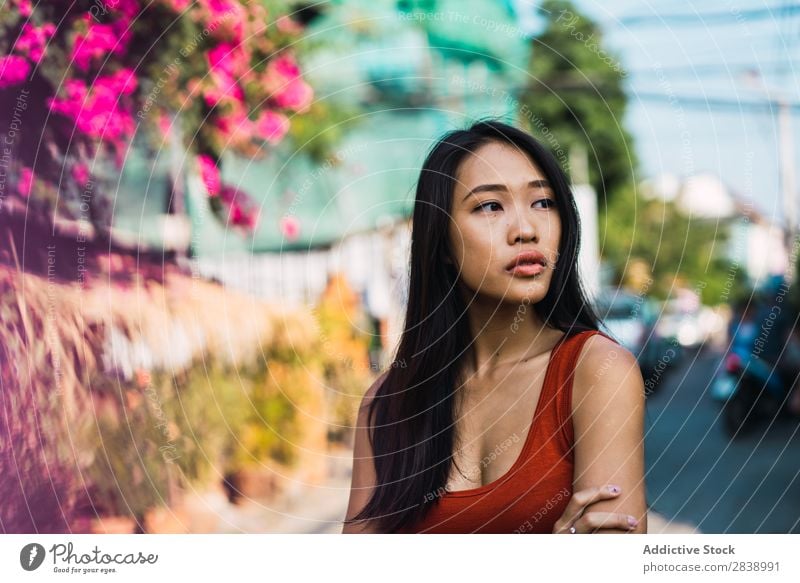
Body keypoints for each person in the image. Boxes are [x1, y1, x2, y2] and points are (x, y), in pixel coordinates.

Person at [341, 119, 647, 534]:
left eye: (543, 202)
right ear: (442, 242)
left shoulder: (597, 372)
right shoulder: (387, 408)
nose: (526, 230)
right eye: (490, 206)